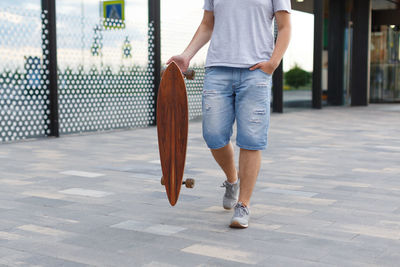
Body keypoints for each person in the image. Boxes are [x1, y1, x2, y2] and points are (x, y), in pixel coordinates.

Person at [167, 0, 291, 228]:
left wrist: (273, 63)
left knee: (251, 140)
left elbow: (284, 26)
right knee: (213, 135)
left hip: (256, 72)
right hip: (218, 70)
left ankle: (243, 205)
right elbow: (207, 24)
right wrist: (187, 55)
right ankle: (232, 179)